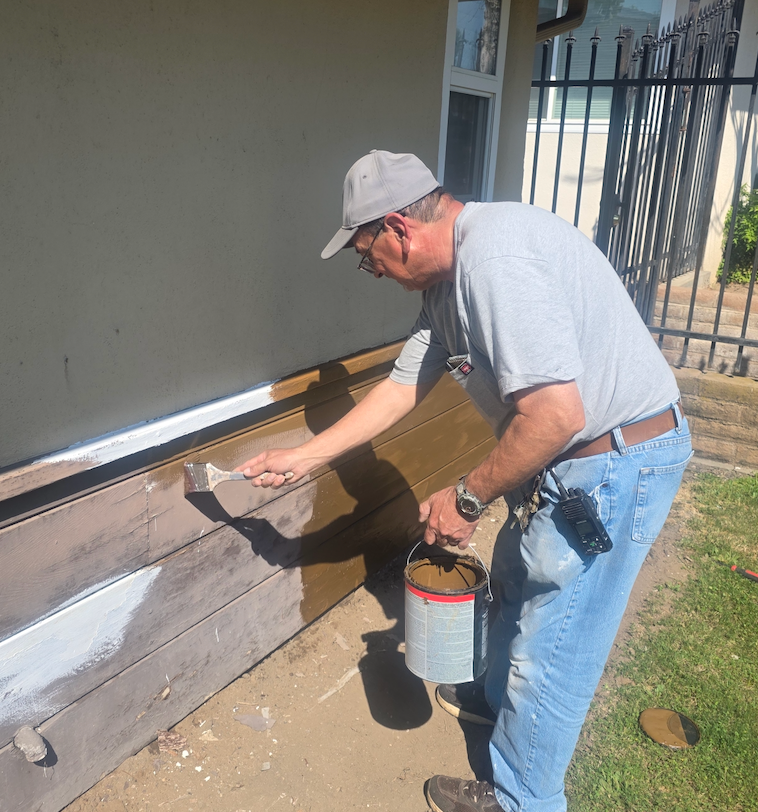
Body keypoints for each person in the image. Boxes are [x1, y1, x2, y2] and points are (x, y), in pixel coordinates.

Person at [236, 150, 692, 812]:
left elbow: (558, 415)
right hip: (571, 461)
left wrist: (467, 497)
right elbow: (401, 389)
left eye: (369, 257)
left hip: (612, 463)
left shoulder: (493, 261)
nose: (374, 272)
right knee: (515, 578)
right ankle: (491, 697)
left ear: (398, 227)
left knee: (554, 649)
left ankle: (520, 799)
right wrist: (304, 458)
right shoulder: (446, 285)